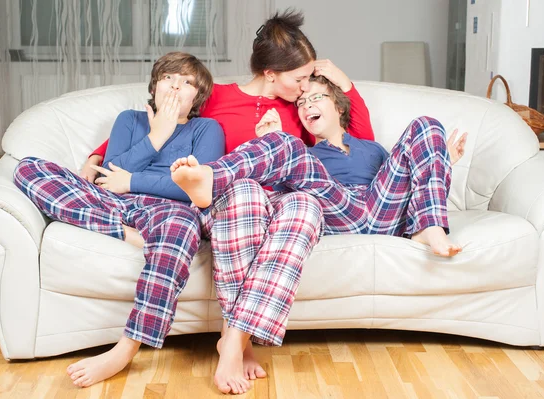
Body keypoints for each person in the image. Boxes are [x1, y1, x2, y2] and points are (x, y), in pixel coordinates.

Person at [80, 9, 377, 395]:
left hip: (283, 197)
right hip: (232, 199)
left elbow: (357, 139)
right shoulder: (218, 97)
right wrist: (96, 157)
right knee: (247, 192)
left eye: (309, 79)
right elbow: (168, 121)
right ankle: (241, 343)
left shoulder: (301, 110)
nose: (306, 88)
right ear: (271, 73)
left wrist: (344, 84)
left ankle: (234, 340)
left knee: (306, 206)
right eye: (299, 78)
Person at [13, 52, 225, 388]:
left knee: (182, 226)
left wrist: (132, 180)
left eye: (186, 83)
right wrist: (157, 135)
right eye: (168, 78)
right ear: (154, 86)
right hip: (113, 203)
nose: (175, 87)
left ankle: (126, 348)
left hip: (168, 208)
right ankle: (124, 234)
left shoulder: (206, 128)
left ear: (197, 97)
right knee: (27, 168)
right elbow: (107, 174)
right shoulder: (129, 120)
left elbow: (195, 186)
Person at [171, 75, 468, 256]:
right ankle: (211, 178)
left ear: (338, 106)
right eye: (302, 103)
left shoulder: (374, 149)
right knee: (286, 143)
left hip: (381, 209)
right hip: (337, 207)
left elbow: (409, 183)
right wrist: (272, 140)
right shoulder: (307, 155)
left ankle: (429, 229)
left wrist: (441, 158)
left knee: (427, 126)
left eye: (316, 98)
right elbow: (281, 197)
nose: (307, 105)